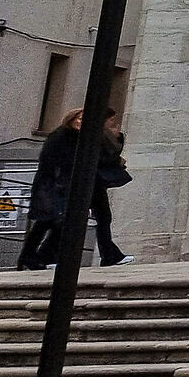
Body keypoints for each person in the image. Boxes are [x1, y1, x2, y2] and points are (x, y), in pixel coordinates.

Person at [18, 109, 131, 270]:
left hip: (83, 184)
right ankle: (32, 256)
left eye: (84, 119)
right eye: (78, 119)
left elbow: (104, 155)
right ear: (70, 119)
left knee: (95, 218)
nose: (81, 122)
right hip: (58, 186)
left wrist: (117, 137)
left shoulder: (87, 136)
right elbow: (54, 163)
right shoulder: (61, 136)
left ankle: (40, 256)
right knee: (48, 222)